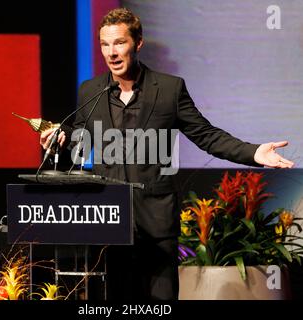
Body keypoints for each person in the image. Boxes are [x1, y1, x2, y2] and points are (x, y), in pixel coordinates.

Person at [40, 8, 294, 300]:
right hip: (109, 224)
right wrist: (61, 140)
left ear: (138, 43)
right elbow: (79, 140)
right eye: (105, 44)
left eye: (120, 43)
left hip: (156, 227)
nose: (111, 52)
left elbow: (206, 135)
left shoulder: (170, 90)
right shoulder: (90, 91)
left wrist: (254, 152)